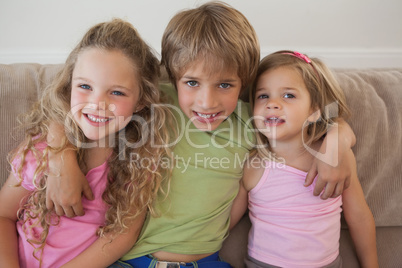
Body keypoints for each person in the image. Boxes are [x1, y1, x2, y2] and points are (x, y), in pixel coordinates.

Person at [45, 2, 357, 267]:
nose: (207, 103)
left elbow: (324, 117)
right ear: (174, 76)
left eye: (224, 85)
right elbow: (63, 110)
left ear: (244, 83)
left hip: (206, 261)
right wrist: (60, 162)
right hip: (133, 259)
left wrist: (338, 139)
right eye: (192, 83)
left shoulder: (253, 119)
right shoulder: (153, 104)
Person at [0, 19, 174, 268]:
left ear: (141, 101)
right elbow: (3, 214)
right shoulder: (41, 150)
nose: (96, 103)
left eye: (117, 92)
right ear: (68, 86)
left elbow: (122, 236)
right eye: (84, 86)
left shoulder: (138, 159)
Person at [241, 50, 378, 268]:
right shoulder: (253, 164)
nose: (272, 103)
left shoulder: (338, 158)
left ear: (314, 111)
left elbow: (359, 217)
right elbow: (223, 223)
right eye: (263, 95)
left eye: (288, 95)